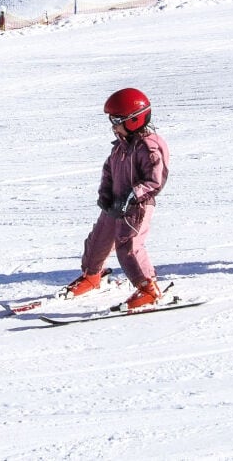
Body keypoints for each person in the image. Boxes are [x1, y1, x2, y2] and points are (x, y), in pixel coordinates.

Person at [65, 88, 170, 310]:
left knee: (128, 245)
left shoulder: (149, 147)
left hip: (137, 207)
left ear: (134, 120)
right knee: (98, 239)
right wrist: (105, 194)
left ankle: (147, 288)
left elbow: (154, 180)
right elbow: (109, 171)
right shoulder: (121, 147)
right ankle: (92, 276)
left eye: (117, 120)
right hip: (116, 203)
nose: (113, 125)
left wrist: (132, 196)